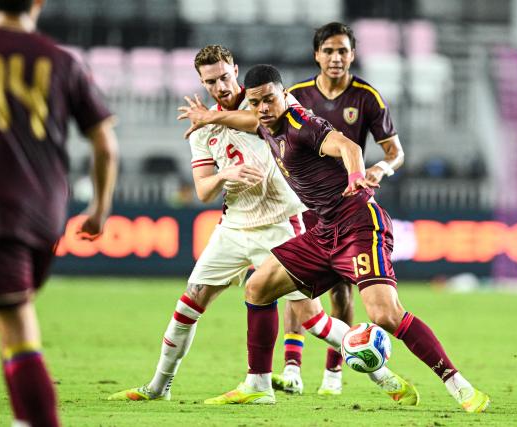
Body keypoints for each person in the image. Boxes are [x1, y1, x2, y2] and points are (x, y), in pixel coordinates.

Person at [108, 45, 417, 405]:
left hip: (279, 223)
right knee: (189, 303)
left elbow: (257, 123)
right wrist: (228, 172)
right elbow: (204, 190)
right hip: (234, 226)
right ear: (201, 82)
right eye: (211, 81)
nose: (221, 86)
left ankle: (385, 377)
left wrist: (211, 117)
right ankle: (159, 386)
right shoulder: (201, 129)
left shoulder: (262, 105)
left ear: (235, 69)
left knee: (312, 319)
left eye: (224, 76)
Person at [177, 64, 490, 412]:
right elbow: (246, 121)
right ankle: (258, 384)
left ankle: (459, 385)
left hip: (358, 224)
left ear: (284, 95)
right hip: (324, 230)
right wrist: (208, 118)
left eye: (269, 100)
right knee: (257, 288)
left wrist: (356, 174)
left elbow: (347, 146)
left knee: (385, 314)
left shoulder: (302, 125)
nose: (263, 108)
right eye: (256, 102)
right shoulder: (264, 122)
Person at [0, 0, 119, 425]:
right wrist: (98, 209)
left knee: (18, 333)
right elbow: (105, 145)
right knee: (12, 320)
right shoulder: (63, 62)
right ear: (39, 2)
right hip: (41, 215)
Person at [275, 21, 405, 395]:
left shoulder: (367, 97)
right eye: (328, 50)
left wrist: (380, 167)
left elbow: (396, 152)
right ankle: (293, 369)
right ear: (316, 54)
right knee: (295, 282)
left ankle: (333, 372)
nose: (335, 57)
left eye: (343, 50)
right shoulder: (295, 95)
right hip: (303, 203)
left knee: (341, 292)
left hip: (348, 203)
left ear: (353, 54)